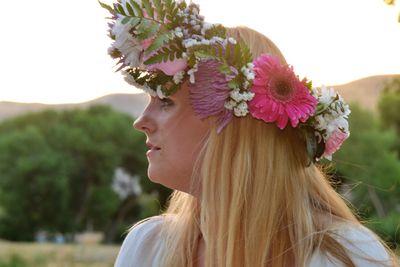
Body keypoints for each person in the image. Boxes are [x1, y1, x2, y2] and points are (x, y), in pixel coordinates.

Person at [101, 0, 400, 266]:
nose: (141, 121)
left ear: (231, 121)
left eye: (165, 101)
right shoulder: (147, 247)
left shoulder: (343, 256)